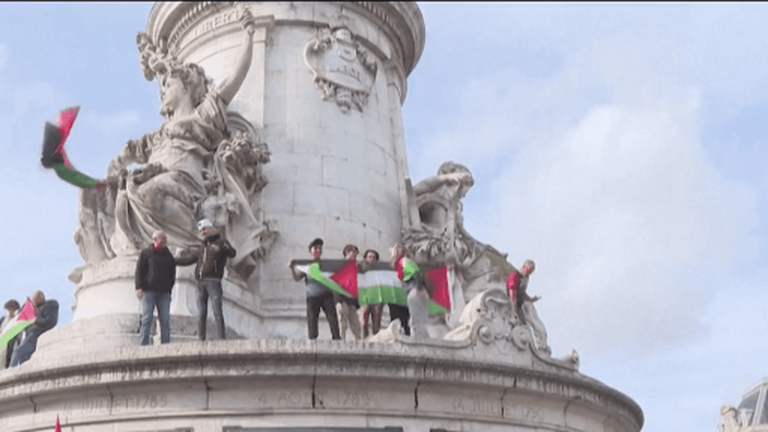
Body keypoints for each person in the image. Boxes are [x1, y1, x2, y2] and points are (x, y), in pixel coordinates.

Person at [176, 219, 236, 340]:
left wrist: (222, 249)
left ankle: (221, 338)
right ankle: (201, 339)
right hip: (200, 281)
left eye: (204, 229)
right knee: (201, 312)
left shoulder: (221, 243)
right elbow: (188, 260)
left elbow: (232, 253)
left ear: (210, 230)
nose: (202, 232)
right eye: (200, 230)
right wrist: (171, 260)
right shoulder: (202, 248)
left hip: (213, 281)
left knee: (217, 311)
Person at [289, 238, 341, 340]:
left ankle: (337, 339)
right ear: (311, 251)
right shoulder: (305, 266)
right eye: (315, 248)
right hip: (312, 296)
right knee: (312, 320)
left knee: (333, 319)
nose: (317, 250)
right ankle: (312, 341)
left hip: (327, 295)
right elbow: (296, 278)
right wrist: (292, 268)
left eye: (319, 248)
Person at [135, 230, 176, 345]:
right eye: (161, 238)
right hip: (149, 291)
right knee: (147, 319)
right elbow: (139, 271)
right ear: (155, 239)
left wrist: (169, 288)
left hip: (164, 293)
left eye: (165, 239)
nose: (164, 241)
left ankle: (165, 345)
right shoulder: (146, 253)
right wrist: (139, 287)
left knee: (165, 321)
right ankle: (143, 345)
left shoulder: (169, 256)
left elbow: (172, 273)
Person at [9, 291, 59, 367]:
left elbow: (49, 321)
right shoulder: (36, 310)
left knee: (17, 352)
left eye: (35, 298)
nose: (34, 301)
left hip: (35, 338)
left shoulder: (50, 305)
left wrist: (35, 318)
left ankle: (10, 372)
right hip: (29, 338)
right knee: (24, 360)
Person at [391, 245, 429, 339]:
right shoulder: (399, 263)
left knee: (415, 317)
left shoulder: (404, 261)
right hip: (407, 292)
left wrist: (419, 287)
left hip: (413, 289)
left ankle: (419, 336)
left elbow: (417, 274)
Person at [335, 244, 362, 341]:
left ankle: (359, 343)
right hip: (342, 299)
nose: (354, 255)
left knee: (356, 325)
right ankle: (341, 342)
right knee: (342, 324)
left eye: (355, 254)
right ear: (347, 253)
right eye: (353, 253)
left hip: (352, 301)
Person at [359, 249, 384, 338]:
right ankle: (363, 339)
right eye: (370, 257)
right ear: (366, 258)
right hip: (365, 298)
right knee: (363, 321)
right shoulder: (360, 268)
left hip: (378, 299)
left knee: (376, 323)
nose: (372, 259)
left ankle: (376, 339)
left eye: (374, 257)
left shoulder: (380, 270)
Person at [506, 259, 539, 325]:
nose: (527, 272)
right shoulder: (514, 276)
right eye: (526, 269)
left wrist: (530, 299)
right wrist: (514, 310)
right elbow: (512, 293)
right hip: (511, 304)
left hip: (519, 305)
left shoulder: (524, 279)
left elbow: (522, 293)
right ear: (523, 267)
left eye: (529, 272)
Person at [1, 299, 20, 368]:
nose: (11, 311)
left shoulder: (18, 321)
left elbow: (19, 336)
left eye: (13, 309)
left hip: (11, 346)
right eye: (9, 309)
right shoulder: (3, 320)